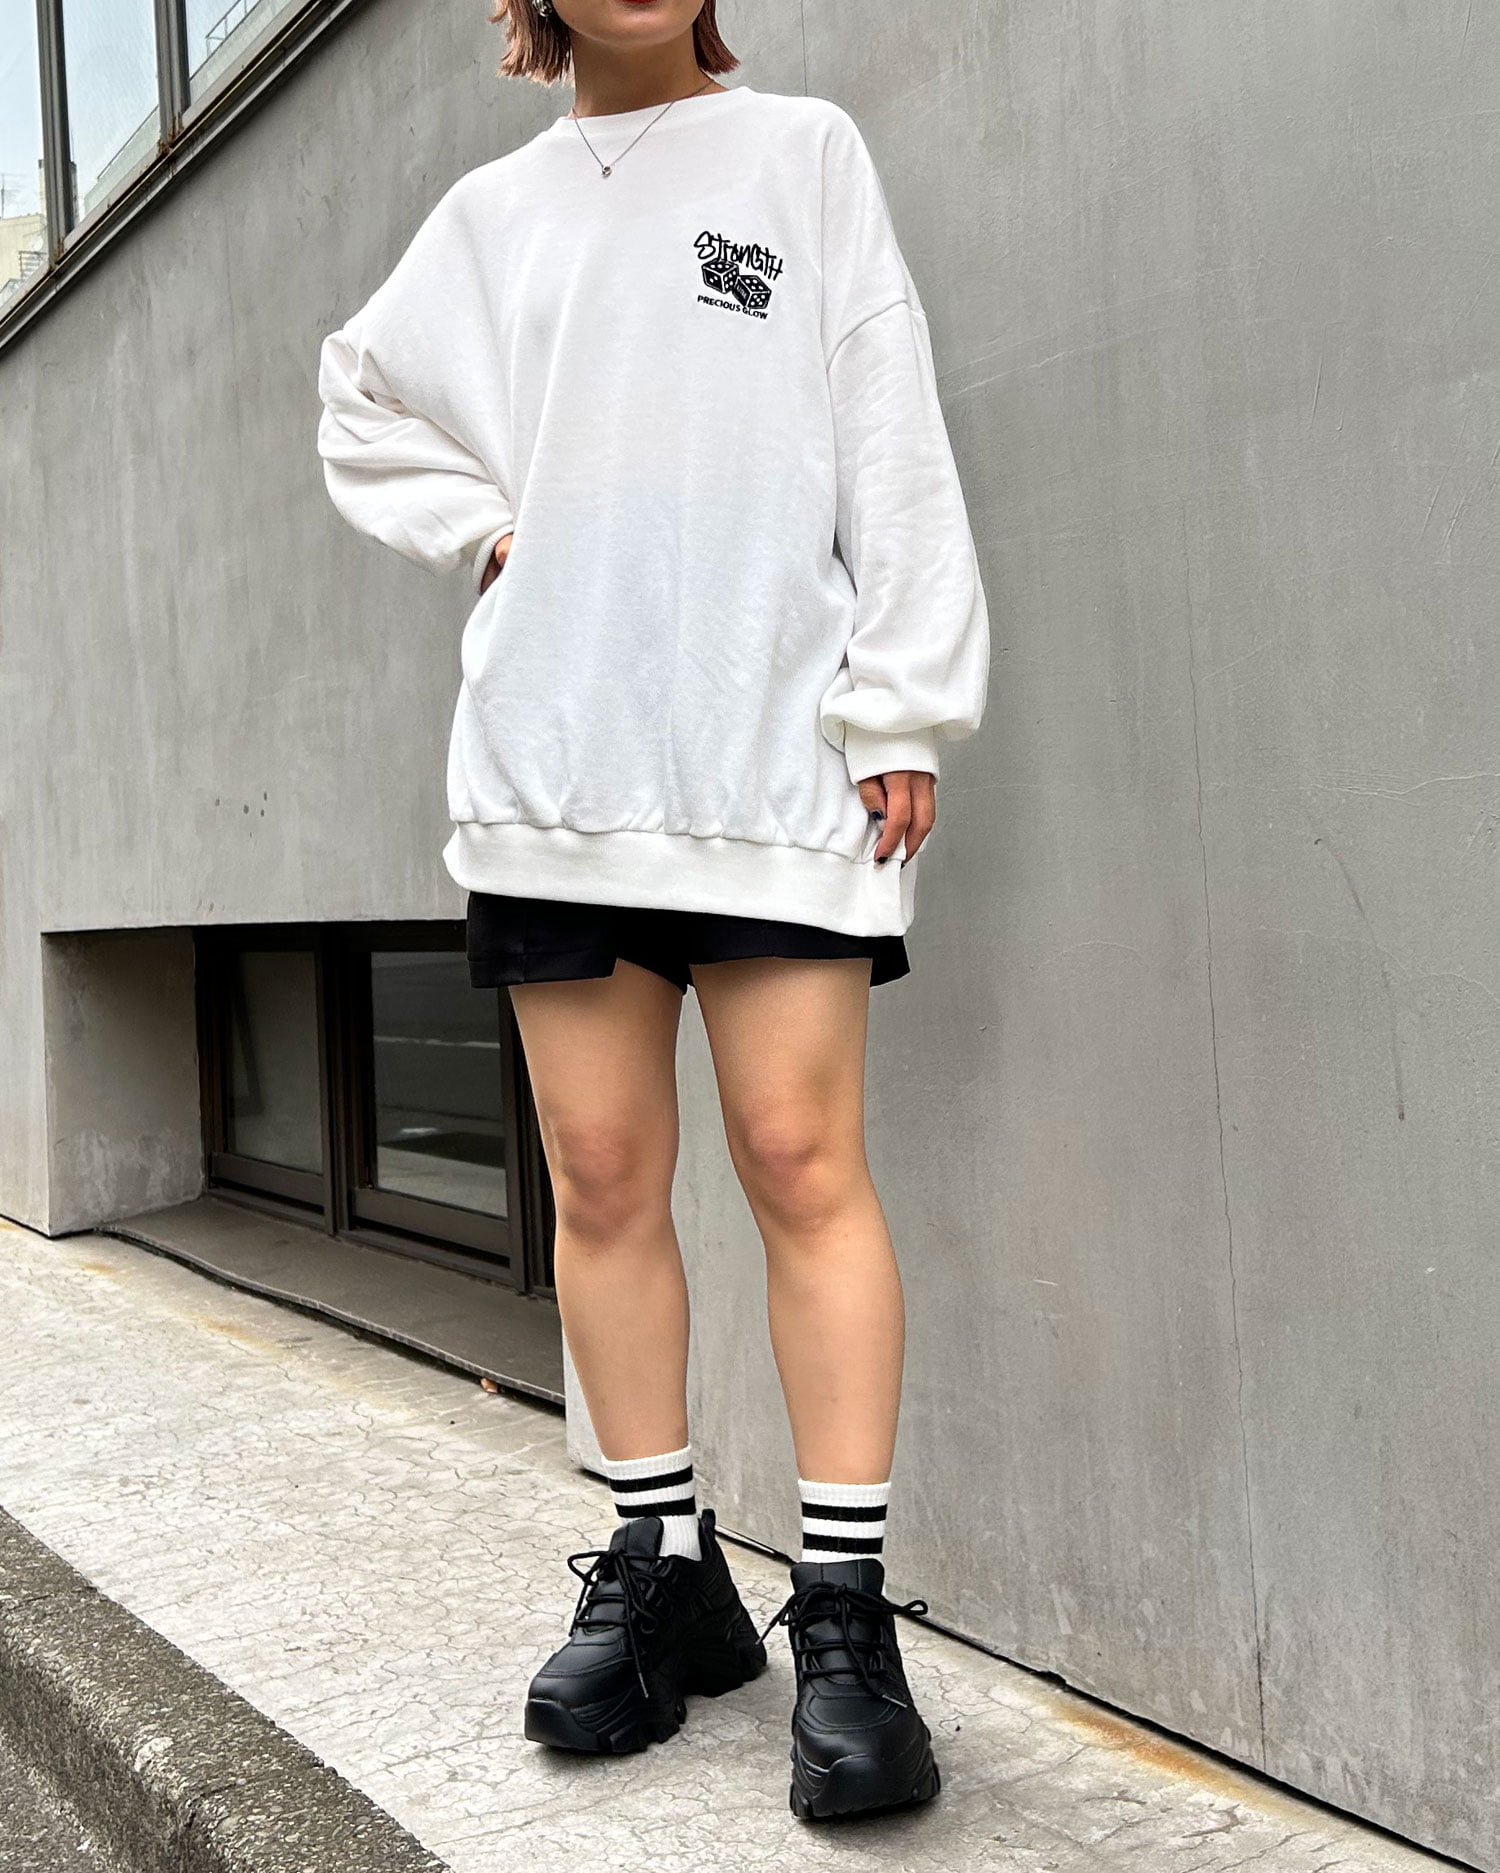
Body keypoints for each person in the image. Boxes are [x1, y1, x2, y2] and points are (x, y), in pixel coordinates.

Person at [316, 0, 990, 1824]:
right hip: (557, 774)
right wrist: (485, 529)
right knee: (603, 1176)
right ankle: (665, 1568)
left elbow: (890, 429)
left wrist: (904, 698)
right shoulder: (489, 218)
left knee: (799, 1155)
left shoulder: (801, 157)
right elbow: (357, 393)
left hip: (775, 759)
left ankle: (840, 1611)